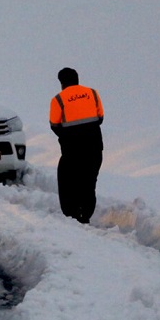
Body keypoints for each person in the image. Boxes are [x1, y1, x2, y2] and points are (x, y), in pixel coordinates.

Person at [49, 67, 104, 224]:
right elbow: (100, 117)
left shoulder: (58, 100)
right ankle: (86, 214)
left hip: (72, 150)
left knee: (68, 180)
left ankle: (72, 214)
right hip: (95, 147)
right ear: (77, 79)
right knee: (89, 181)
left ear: (61, 82)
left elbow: (54, 125)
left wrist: (69, 136)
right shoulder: (93, 93)